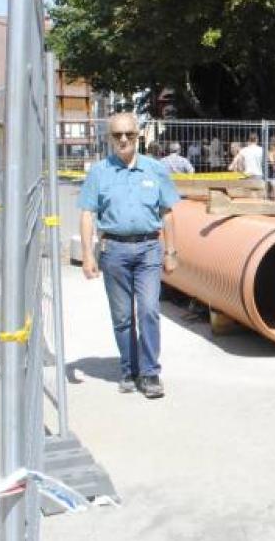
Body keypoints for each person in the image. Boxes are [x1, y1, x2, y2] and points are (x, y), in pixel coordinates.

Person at [78, 112, 180, 399]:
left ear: (138, 136)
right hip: (114, 252)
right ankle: (129, 369)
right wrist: (88, 255)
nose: (123, 140)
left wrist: (171, 252)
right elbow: (87, 214)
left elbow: (168, 212)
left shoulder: (154, 169)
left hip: (149, 249)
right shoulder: (99, 172)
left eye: (129, 135)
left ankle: (149, 373)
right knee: (122, 316)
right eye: (117, 135)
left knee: (148, 310)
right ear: (109, 138)